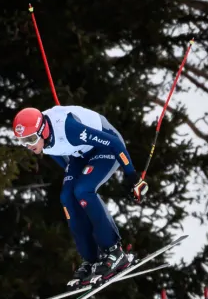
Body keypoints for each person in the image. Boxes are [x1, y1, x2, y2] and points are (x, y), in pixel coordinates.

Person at [12, 105, 150, 288]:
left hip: (107, 148)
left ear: (43, 131)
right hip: (80, 154)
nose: (28, 146)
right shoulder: (42, 142)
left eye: (29, 139)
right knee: (67, 197)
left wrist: (133, 177)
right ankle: (91, 259)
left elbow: (114, 143)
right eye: (22, 141)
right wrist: (77, 177)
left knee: (83, 190)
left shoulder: (69, 129)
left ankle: (114, 251)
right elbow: (62, 156)